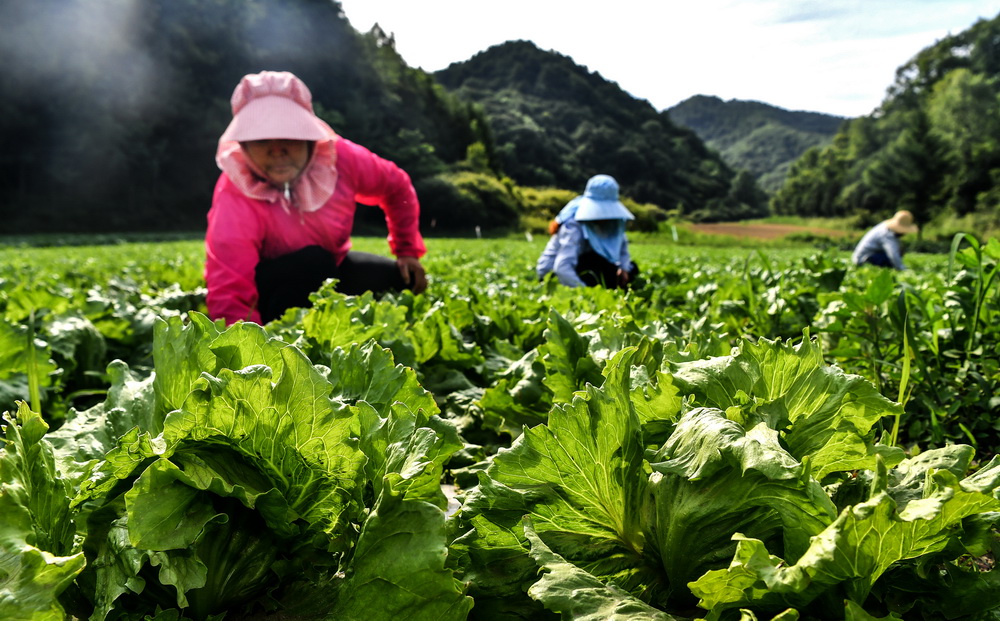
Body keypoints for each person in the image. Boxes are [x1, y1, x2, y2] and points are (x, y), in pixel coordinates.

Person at [205, 71, 428, 325]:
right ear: (243, 146)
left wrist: (407, 250)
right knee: (314, 261)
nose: (277, 150)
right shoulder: (235, 189)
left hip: (331, 268)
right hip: (269, 285)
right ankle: (284, 329)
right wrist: (247, 345)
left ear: (310, 138)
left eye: (289, 135)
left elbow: (396, 186)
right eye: (262, 139)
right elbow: (230, 280)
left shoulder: (342, 158)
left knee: (401, 279)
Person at [536, 174, 639, 288]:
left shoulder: (612, 223)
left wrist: (623, 268)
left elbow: (622, 245)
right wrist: (587, 293)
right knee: (596, 264)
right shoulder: (574, 225)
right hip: (555, 276)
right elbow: (562, 267)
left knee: (631, 268)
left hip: (584, 266)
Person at [851, 210, 919, 270]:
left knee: (897, 252)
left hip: (863, 256)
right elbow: (893, 254)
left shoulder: (885, 228)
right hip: (863, 259)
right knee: (892, 256)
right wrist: (902, 268)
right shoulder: (887, 234)